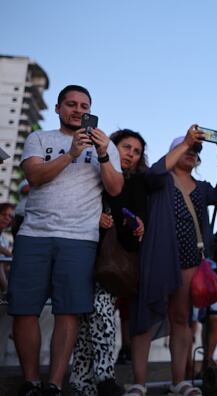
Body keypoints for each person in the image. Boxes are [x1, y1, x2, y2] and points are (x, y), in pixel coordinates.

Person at [7, 84, 123, 396]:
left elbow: (115, 188)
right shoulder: (40, 138)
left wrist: (102, 153)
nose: (78, 110)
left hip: (79, 238)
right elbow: (34, 177)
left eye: (84, 106)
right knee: (24, 309)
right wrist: (71, 153)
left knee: (68, 311)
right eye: (71, 104)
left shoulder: (105, 145)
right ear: (59, 108)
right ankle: (31, 381)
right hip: (34, 234)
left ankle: (55, 385)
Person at [126, 126, 217, 396]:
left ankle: (178, 381)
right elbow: (153, 173)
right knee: (145, 317)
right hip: (158, 254)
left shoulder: (201, 187)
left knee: (181, 319)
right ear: (175, 151)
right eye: (187, 148)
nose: (192, 153)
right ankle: (138, 382)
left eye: (196, 150)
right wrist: (185, 142)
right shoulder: (161, 179)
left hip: (190, 259)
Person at [69, 129, 149, 396]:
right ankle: (82, 383)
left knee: (102, 311)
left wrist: (137, 226)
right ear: (112, 146)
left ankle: (104, 375)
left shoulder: (136, 184)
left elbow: (136, 222)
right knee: (84, 321)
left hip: (109, 261)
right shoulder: (92, 169)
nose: (131, 154)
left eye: (137, 151)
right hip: (81, 251)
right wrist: (96, 217)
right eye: (126, 147)